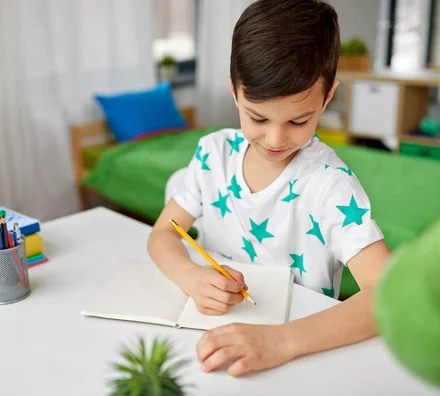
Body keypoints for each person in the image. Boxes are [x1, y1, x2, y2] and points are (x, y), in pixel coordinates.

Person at [147, 0, 391, 377]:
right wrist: (191, 277)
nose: (276, 139)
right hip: (205, 347)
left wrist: (281, 341)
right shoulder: (213, 154)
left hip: (302, 359)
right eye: (257, 117)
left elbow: (387, 295)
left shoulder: (330, 187)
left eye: (299, 120)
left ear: (327, 97)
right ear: (234, 91)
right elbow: (163, 233)